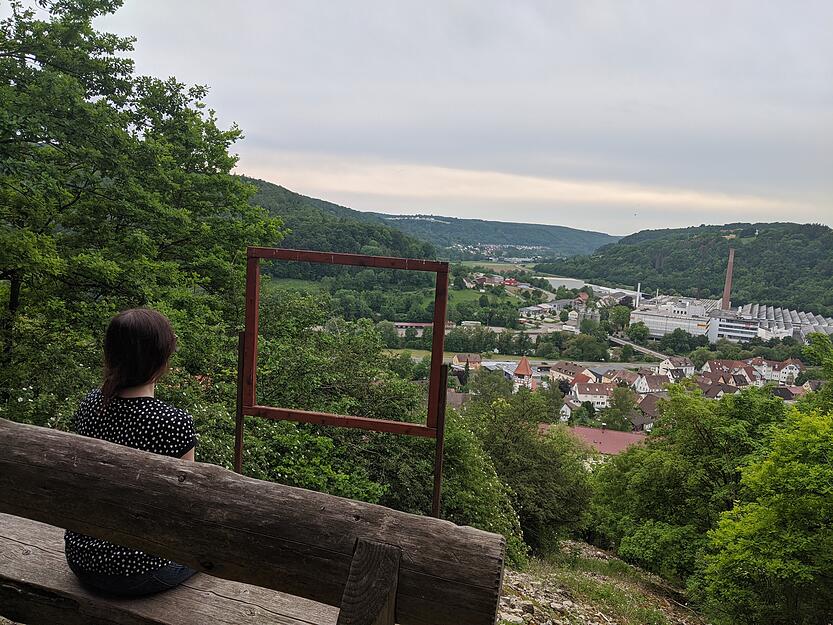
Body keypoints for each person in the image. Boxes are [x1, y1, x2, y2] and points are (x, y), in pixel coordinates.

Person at [64, 308, 198, 596]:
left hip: (81, 559)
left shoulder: (91, 405)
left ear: (110, 354)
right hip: (140, 572)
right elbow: (185, 504)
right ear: (162, 358)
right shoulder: (173, 422)